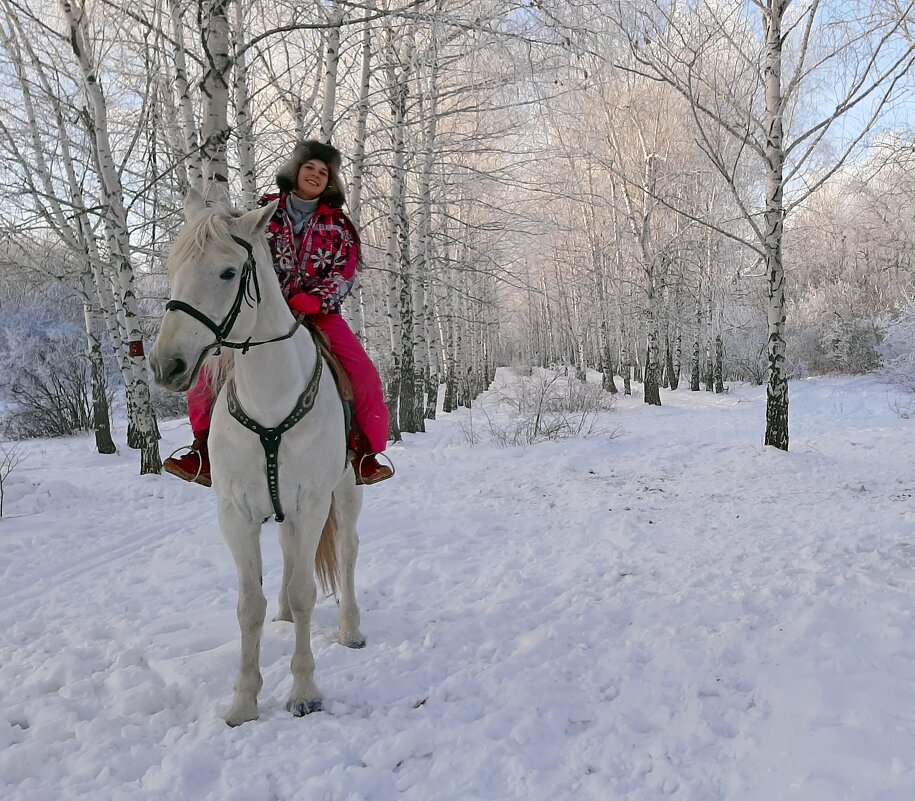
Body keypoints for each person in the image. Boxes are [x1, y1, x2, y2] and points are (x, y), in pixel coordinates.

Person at [163, 140, 393, 487]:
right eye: (309, 168)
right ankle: (203, 451)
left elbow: (346, 273)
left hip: (319, 315)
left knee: (362, 373)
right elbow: (229, 248)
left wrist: (318, 300)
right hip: (262, 312)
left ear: (331, 181)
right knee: (207, 372)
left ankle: (363, 453)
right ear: (295, 172)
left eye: (323, 172)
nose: (315, 175)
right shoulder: (262, 213)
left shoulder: (339, 226)